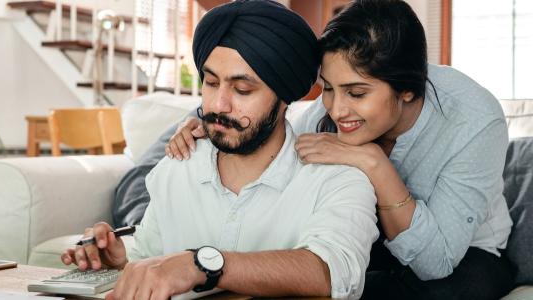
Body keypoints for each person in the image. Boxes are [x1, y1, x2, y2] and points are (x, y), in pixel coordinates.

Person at [164, 0, 515, 299]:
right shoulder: (326, 112)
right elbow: (271, 133)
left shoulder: (474, 120)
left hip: (461, 256)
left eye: (357, 93)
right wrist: (207, 123)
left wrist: (374, 163)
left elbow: (434, 262)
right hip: (363, 239)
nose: (336, 109)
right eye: (328, 88)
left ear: (408, 89)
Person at [63, 1, 379, 299]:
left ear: (285, 97)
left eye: (242, 89)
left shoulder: (339, 180)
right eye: (211, 83)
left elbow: (333, 272)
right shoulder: (178, 166)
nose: (218, 104)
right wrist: (119, 257)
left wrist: (201, 265)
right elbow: (149, 253)